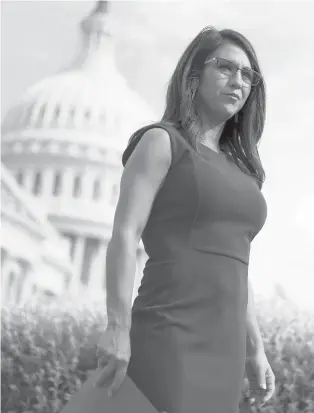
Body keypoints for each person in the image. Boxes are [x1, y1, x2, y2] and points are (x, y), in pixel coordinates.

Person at [94, 26, 276, 413]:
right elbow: (125, 235)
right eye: (225, 68)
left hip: (225, 350)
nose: (238, 82)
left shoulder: (244, 173)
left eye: (247, 75)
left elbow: (238, 266)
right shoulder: (162, 142)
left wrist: (255, 351)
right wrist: (117, 327)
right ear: (193, 76)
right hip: (169, 333)